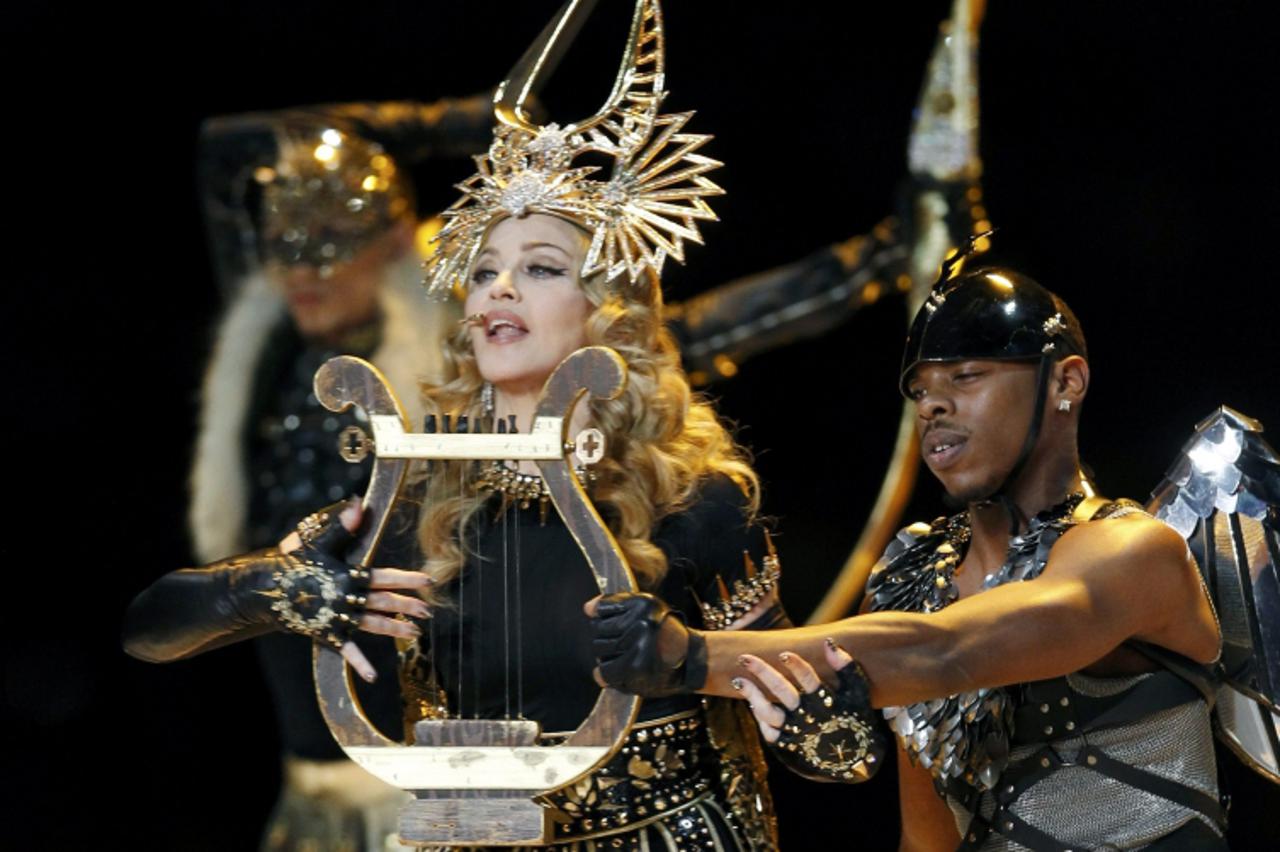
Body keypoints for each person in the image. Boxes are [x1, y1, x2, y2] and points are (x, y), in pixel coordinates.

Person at [125, 1, 787, 848]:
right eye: (482, 272)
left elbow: (829, 753)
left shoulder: (695, 501)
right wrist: (268, 588)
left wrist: (692, 656)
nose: (499, 290)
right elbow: (149, 631)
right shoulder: (410, 503)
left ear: (607, 309)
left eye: (540, 268)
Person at [589, 260, 1227, 850]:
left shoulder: (1135, 550)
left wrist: (690, 654)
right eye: (919, 390)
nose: (932, 405)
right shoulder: (909, 584)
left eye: (966, 376)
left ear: (1067, 379)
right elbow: (926, 841)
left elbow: (946, 651)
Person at [179, 100, 488, 850]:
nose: (301, 273)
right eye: (284, 246)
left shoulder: (458, 362)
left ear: (391, 243)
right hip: (309, 794)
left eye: (330, 245)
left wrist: (495, 128)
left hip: (429, 794)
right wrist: (426, 128)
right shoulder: (267, 355)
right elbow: (225, 145)